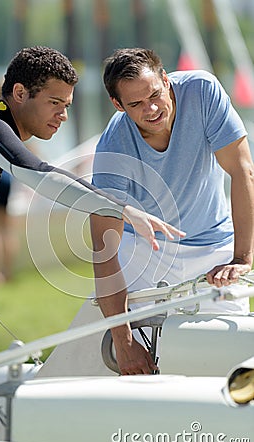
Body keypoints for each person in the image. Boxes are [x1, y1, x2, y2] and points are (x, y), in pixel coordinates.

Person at [0, 46, 184, 368]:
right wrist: (123, 209)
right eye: (54, 103)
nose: (63, 115)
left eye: (67, 105)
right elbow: (41, 177)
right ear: (19, 93)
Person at [90, 48, 254, 375]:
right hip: (144, 252)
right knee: (141, 369)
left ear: (166, 80)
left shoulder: (202, 92)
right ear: (118, 105)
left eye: (155, 94)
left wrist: (242, 257)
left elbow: (243, 172)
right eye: (135, 104)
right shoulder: (113, 148)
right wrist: (123, 342)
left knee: (235, 360)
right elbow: (104, 248)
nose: (151, 109)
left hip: (213, 244)